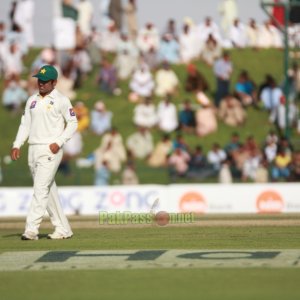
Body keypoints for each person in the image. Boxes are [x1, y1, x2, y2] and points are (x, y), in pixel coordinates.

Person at [10, 65, 78, 240]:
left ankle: (31, 230)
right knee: (48, 191)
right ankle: (63, 229)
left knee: (40, 190)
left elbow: (73, 123)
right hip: (33, 149)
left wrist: (59, 142)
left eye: (45, 81)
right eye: (39, 80)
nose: (41, 84)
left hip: (50, 149)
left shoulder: (61, 100)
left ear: (54, 82)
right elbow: (25, 124)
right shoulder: (31, 100)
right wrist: (17, 144)